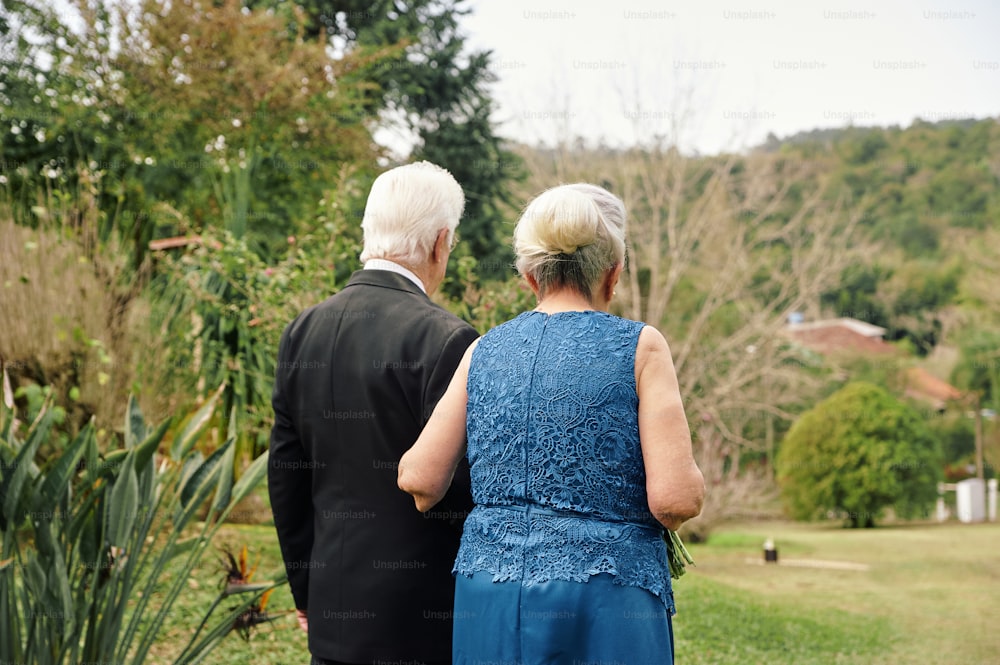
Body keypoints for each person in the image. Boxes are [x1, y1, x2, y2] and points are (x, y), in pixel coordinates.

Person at [398, 183, 705, 664]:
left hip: (492, 594)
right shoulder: (641, 346)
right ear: (614, 272)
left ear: (529, 276)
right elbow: (674, 500)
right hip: (606, 597)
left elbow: (419, 479)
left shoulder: (483, 350)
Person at [269, 161, 479, 665]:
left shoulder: (302, 330)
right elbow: (463, 493)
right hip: (420, 622)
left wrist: (307, 592)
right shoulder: (449, 341)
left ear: (370, 232)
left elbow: (286, 481)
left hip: (331, 613)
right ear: (440, 242)